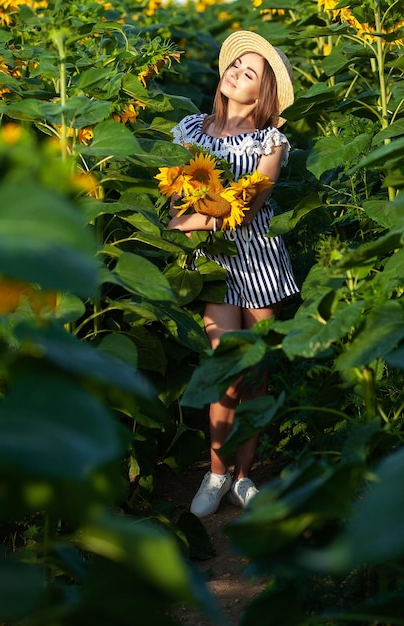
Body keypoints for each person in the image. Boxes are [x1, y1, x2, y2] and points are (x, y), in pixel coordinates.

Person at [167, 30, 299, 518]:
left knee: (258, 371)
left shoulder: (271, 140)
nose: (236, 73)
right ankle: (215, 472)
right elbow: (175, 189)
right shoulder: (192, 130)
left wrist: (182, 224)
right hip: (215, 264)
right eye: (235, 65)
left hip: (261, 258)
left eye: (250, 73)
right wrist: (183, 212)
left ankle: (245, 478)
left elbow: (250, 202)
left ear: (262, 94)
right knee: (227, 368)